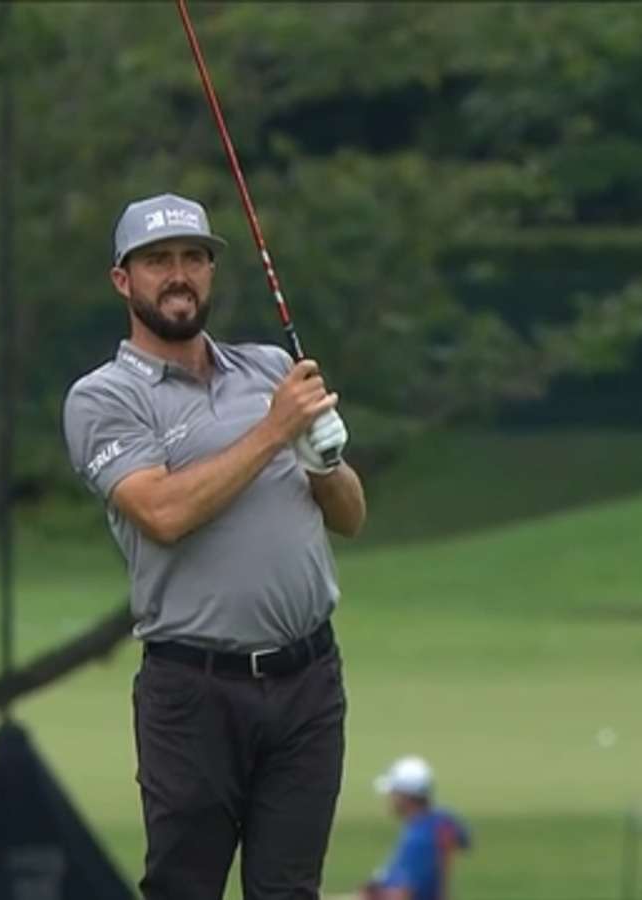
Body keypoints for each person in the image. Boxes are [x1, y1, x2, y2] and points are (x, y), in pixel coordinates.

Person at [62, 192, 367, 900]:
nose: (178, 275)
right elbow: (162, 513)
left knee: (290, 891)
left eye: (193, 258)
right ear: (123, 280)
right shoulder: (104, 398)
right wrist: (272, 431)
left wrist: (322, 458)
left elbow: (349, 516)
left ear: (210, 272)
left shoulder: (266, 369)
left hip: (309, 681)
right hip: (194, 690)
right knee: (183, 888)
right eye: (158, 261)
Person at [361, 756, 473, 900]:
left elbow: (404, 895)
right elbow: (461, 837)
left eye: (393, 793)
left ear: (405, 796)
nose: (389, 798)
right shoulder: (441, 820)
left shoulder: (419, 840)